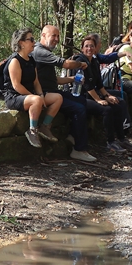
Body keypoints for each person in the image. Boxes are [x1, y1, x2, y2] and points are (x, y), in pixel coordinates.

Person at [32, 25, 96, 162]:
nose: (56, 39)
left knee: (81, 100)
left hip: (53, 91)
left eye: (58, 36)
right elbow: (65, 64)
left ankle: (73, 135)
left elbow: (54, 80)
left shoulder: (45, 52)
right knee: (78, 108)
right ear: (43, 35)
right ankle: (79, 149)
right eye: (53, 36)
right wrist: (80, 64)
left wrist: (72, 79)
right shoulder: (39, 51)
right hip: (44, 95)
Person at [0, 28, 63, 148]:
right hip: (14, 97)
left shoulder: (31, 60)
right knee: (36, 100)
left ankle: (45, 127)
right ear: (21, 43)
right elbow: (16, 86)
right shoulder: (15, 61)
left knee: (57, 98)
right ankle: (32, 130)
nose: (34, 42)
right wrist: (35, 97)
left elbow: (36, 81)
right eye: (31, 39)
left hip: (30, 95)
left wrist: (41, 95)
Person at [75, 35, 132, 153]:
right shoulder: (80, 61)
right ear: (82, 48)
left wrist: (107, 96)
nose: (89, 49)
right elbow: (87, 85)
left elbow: (99, 84)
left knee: (119, 102)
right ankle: (110, 142)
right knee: (107, 109)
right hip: (81, 96)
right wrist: (99, 100)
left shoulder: (94, 61)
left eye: (92, 46)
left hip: (93, 93)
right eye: (86, 46)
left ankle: (122, 138)